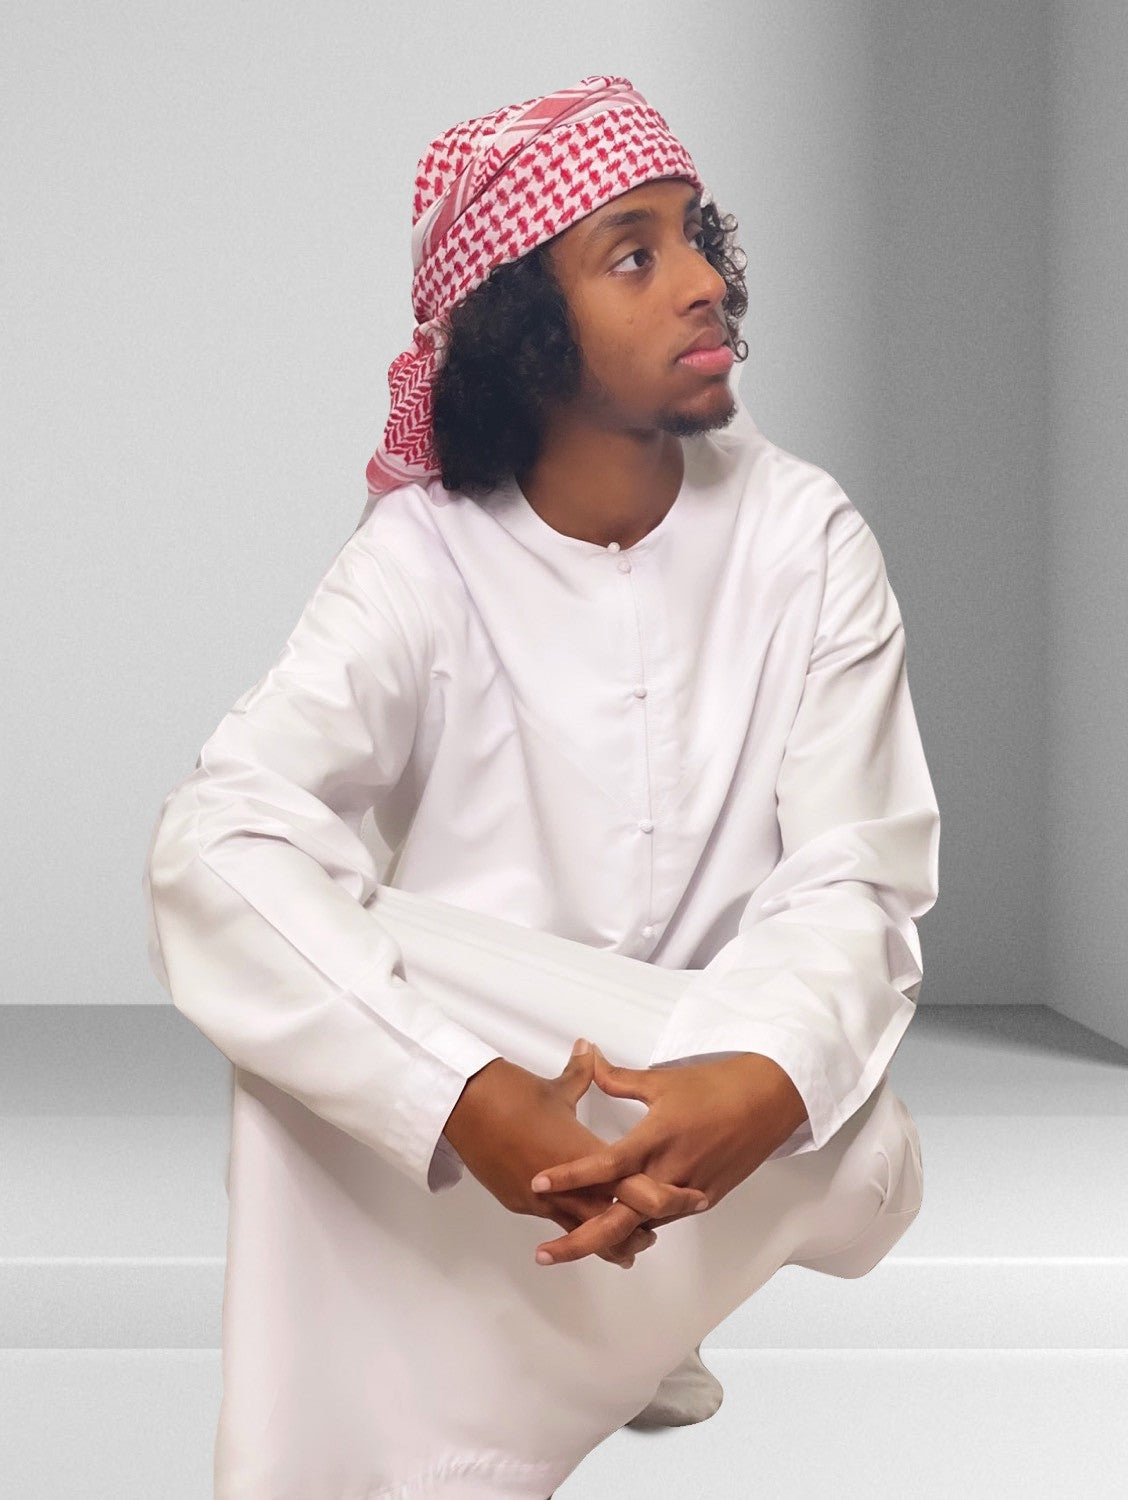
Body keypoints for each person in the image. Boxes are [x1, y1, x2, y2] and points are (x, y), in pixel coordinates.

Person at [143, 74, 940, 1500]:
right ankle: (561, 1364)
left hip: (750, 1113)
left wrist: (763, 1076)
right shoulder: (421, 560)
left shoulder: (805, 536)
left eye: (697, 236)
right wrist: (460, 1097)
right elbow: (218, 838)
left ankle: (626, 1323)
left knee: (849, 1118)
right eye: (634, 256)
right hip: (503, 1117)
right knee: (289, 970)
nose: (704, 282)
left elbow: (856, 874)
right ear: (523, 335)